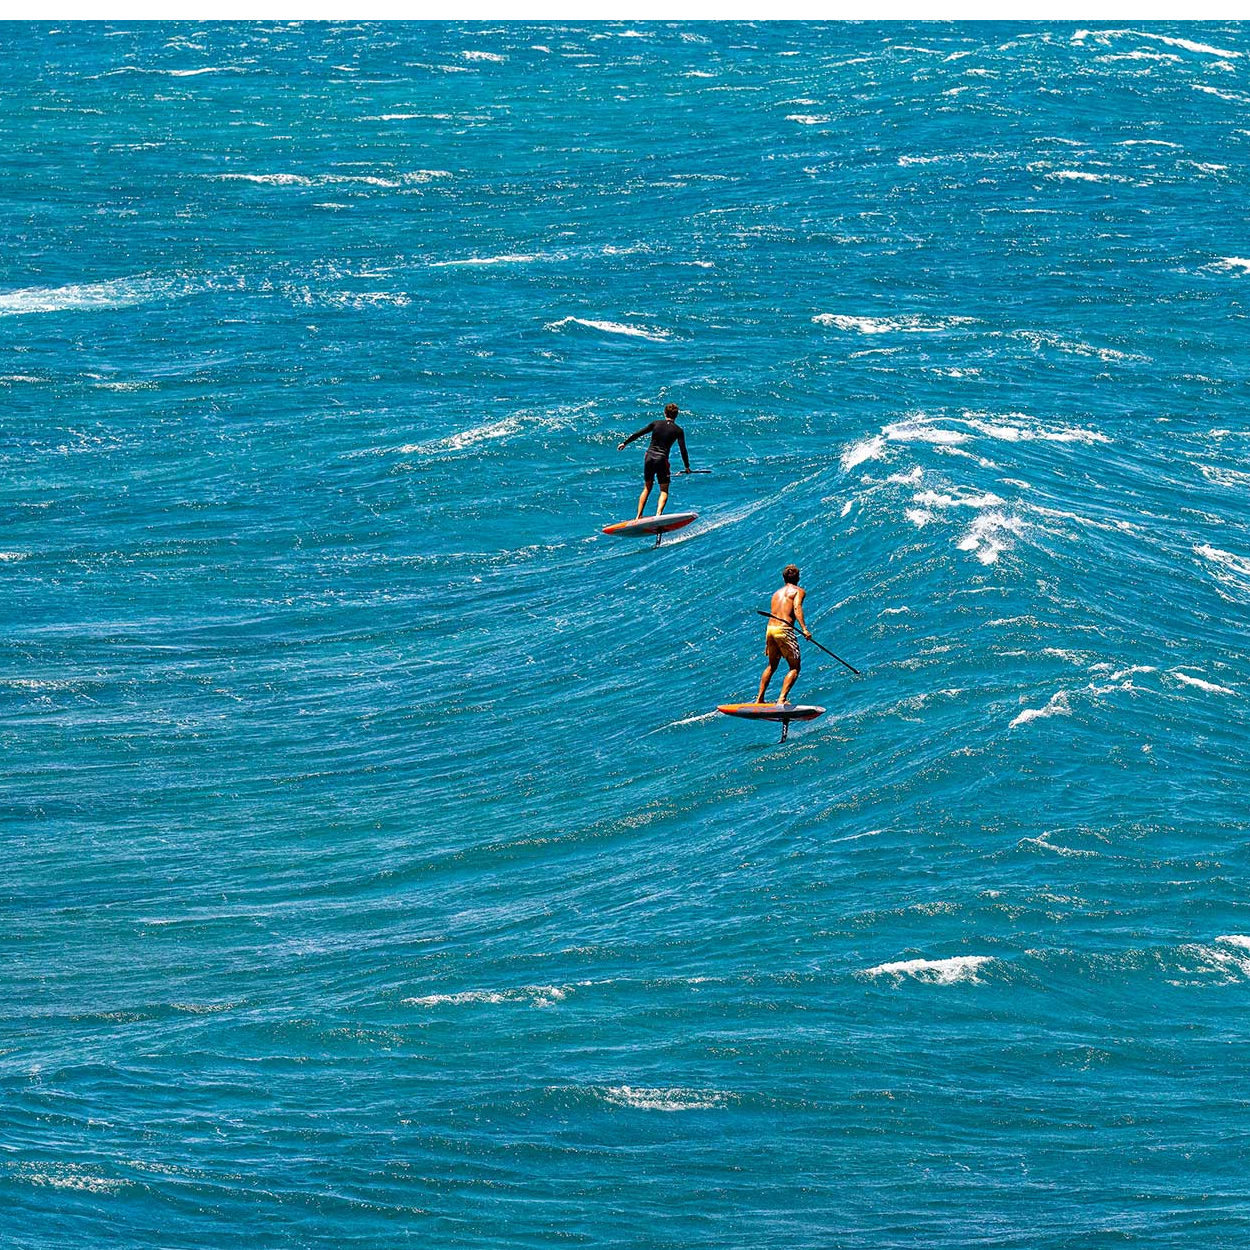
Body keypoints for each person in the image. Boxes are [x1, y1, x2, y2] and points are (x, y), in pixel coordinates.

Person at [617, 402, 691, 519]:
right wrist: (687, 467)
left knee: (647, 488)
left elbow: (638, 433)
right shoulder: (678, 430)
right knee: (664, 490)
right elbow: (683, 450)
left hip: (649, 457)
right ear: (676, 415)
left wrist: (625, 443)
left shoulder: (656, 423)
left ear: (665, 413)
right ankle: (658, 515)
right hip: (661, 460)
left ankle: (638, 516)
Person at [757, 564, 813, 705]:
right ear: (798, 578)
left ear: (784, 578)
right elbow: (797, 608)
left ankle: (759, 699)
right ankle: (781, 699)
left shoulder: (776, 594)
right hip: (784, 630)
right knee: (795, 667)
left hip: (770, 629)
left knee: (772, 666)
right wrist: (804, 629)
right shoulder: (798, 591)